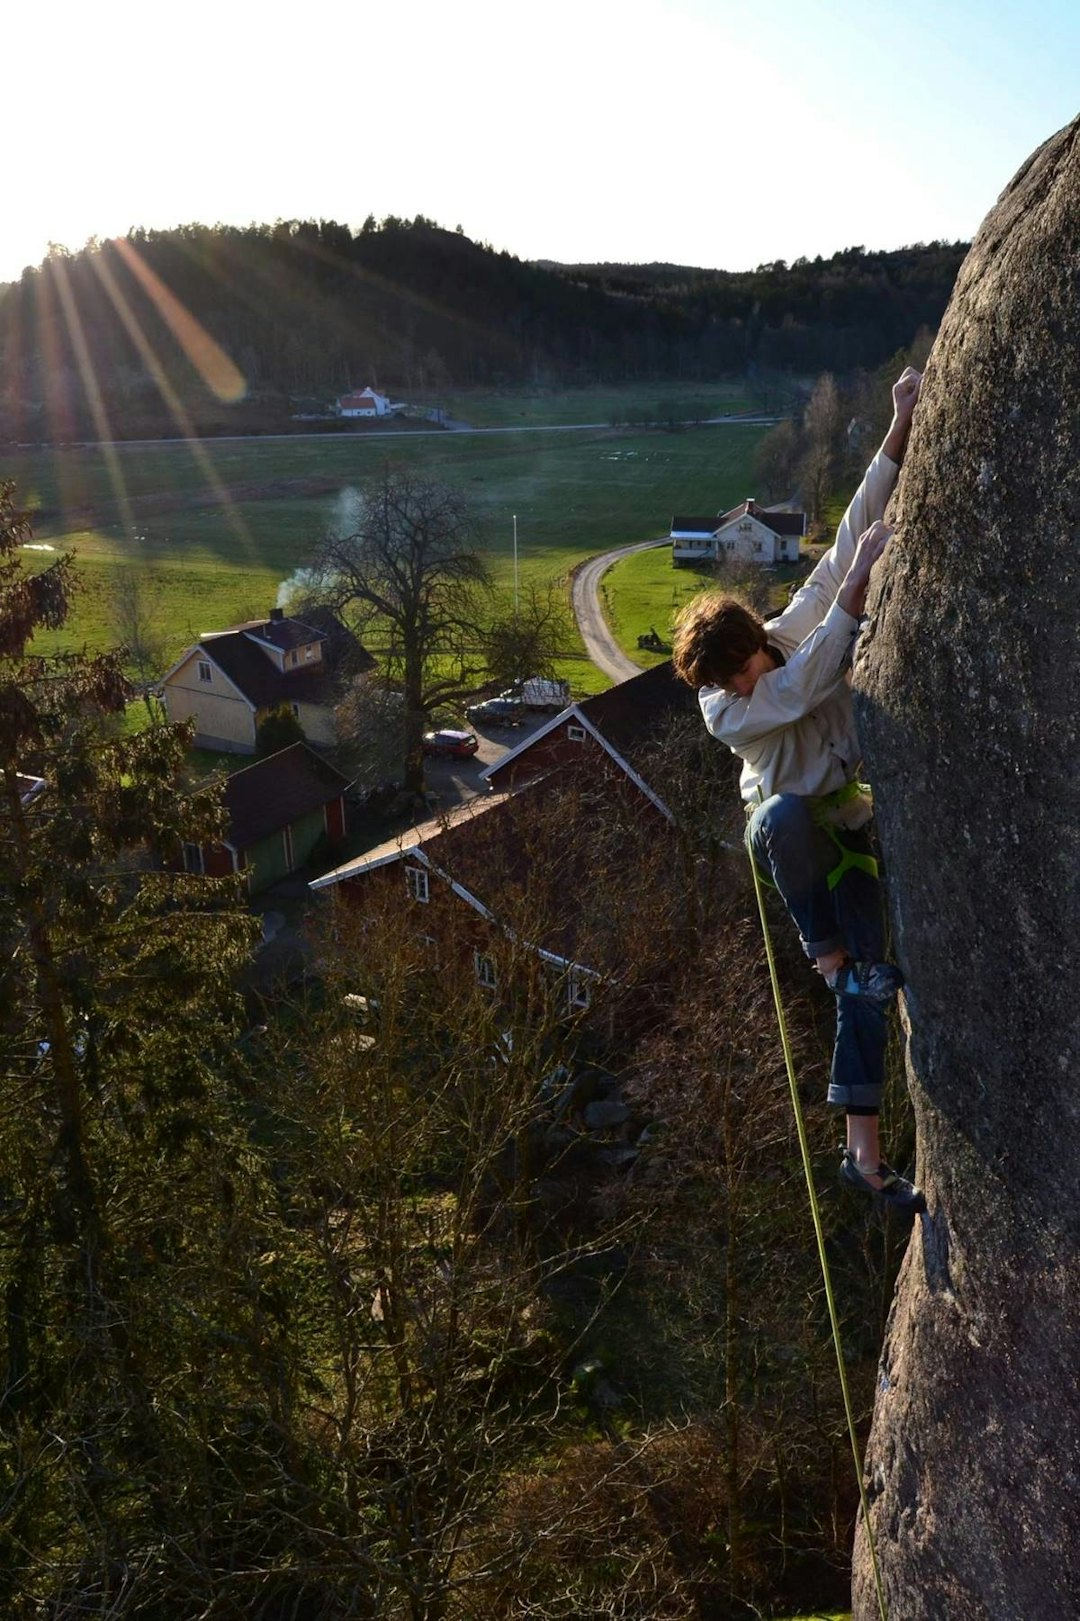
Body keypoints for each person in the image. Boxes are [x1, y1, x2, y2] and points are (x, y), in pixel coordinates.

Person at [672, 368, 925, 1213]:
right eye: (727, 683)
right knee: (779, 814)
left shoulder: (778, 639)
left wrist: (898, 425)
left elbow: (854, 526)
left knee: (872, 988)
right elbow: (813, 679)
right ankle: (821, 944)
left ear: (756, 643)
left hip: (847, 828)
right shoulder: (728, 708)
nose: (740, 689)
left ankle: (865, 1156)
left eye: (741, 671)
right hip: (790, 844)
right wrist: (855, 591)